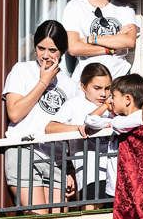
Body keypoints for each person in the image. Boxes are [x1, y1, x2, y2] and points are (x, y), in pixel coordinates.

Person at [3, 20, 80, 210]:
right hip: (24, 150)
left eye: (52, 50)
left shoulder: (69, 84)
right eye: (41, 48)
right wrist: (43, 82)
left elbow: (69, 130)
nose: (45, 55)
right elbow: (14, 113)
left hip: (57, 157)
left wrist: (71, 169)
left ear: (62, 51)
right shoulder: (22, 71)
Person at [46, 63, 113, 208]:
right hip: (90, 177)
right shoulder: (74, 104)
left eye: (107, 88)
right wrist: (77, 129)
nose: (103, 94)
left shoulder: (113, 105)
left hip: (114, 176)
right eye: (97, 88)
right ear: (83, 87)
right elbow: (50, 128)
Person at [62, 0, 138, 80]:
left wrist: (90, 40)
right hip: (86, 80)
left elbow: (129, 41)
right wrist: (112, 48)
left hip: (119, 79)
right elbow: (74, 48)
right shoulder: (75, 6)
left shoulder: (125, 9)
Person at [85, 74, 143, 199]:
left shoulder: (140, 116)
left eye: (113, 96)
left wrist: (110, 122)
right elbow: (90, 120)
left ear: (127, 99)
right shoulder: (117, 119)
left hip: (130, 187)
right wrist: (105, 107)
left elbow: (119, 124)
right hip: (113, 187)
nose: (110, 100)